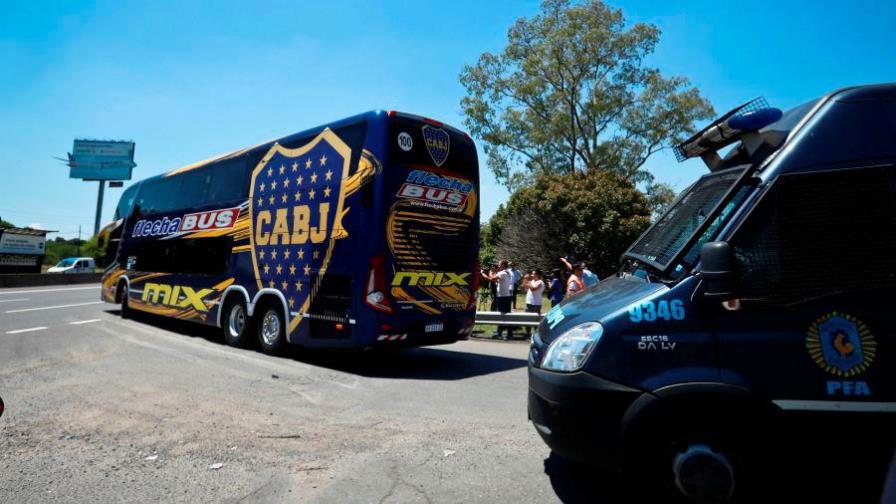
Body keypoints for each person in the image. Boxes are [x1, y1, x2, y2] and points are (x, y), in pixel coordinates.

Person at [482, 260, 514, 340]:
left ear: (503, 265)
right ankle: (508, 333)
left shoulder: (502, 273)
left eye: (499, 264)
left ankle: (499, 333)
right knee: (507, 316)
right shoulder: (507, 272)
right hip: (507, 296)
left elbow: (491, 279)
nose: (498, 266)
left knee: (501, 315)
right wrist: (493, 272)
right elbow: (496, 278)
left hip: (502, 297)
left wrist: (484, 273)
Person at [523, 270, 545, 337]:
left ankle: (536, 334)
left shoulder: (540, 282)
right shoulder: (532, 281)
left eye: (533, 274)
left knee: (535, 320)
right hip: (529, 302)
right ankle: (528, 334)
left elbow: (533, 289)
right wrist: (525, 279)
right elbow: (525, 288)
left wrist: (528, 281)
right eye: (532, 274)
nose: (532, 275)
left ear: (537, 275)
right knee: (527, 319)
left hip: (536, 304)